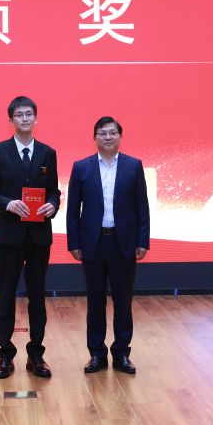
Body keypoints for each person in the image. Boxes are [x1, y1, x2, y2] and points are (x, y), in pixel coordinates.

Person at [0, 95, 60, 379]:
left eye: (29, 114)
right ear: (11, 120)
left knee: (37, 297)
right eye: (19, 115)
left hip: (39, 237)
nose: (25, 119)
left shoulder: (48, 153)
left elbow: (53, 190)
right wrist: (7, 204)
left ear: (36, 118)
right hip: (8, 236)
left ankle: (36, 354)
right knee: (5, 296)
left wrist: (53, 204)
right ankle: (5, 355)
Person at [66, 116, 150, 375]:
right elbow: (72, 210)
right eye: (102, 133)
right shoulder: (81, 167)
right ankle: (96, 354)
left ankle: (122, 353)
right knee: (95, 301)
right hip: (92, 243)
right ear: (95, 138)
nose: (108, 137)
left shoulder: (133, 166)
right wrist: (74, 242)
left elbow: (142, 207)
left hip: (123, 243)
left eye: (113, 132)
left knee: (123, 301)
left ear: (120, 137)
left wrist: (142, 241)